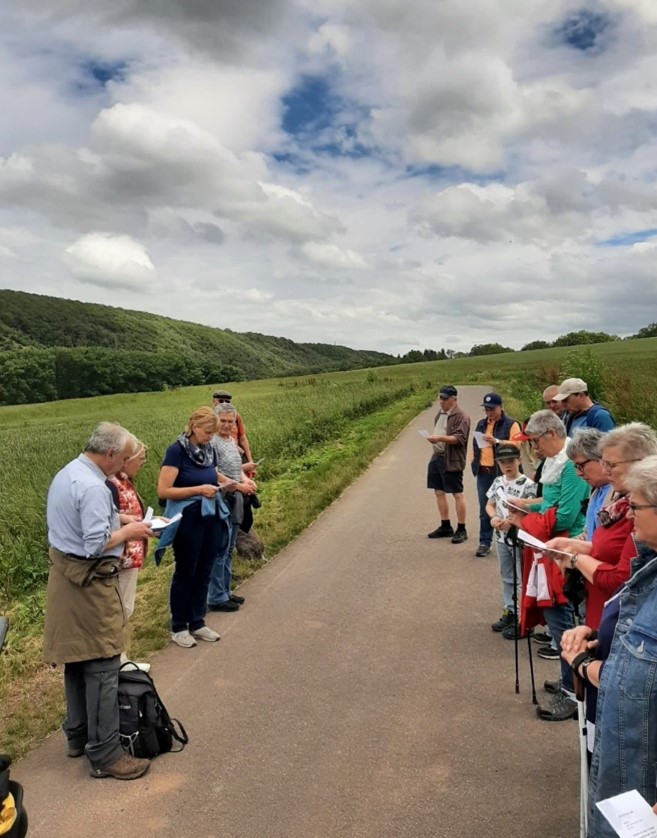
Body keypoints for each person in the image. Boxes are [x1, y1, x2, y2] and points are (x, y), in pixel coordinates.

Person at [43, 422, 155, 780]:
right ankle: (107, 754)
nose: (124, 465)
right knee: (105, 663)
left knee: (76, 661)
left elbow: (79, 525)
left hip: (66, 579)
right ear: (108, 454)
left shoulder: (69, 472)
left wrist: (117, 517)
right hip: (92, 583)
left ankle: (77, 736)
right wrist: (130, 530)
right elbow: (94, 544)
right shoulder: (94, 486)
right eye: (122, 458)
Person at [560, 455, 657, 835]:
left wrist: (583, 664)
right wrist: (602, 641)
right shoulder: (649, 567)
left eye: (634, 506)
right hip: (624, 786)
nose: (629, 516)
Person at [504, 409, 590, 721]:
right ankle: (567, 680)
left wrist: (525, 519)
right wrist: (526, 504)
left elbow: (565, 515)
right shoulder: (554, 463)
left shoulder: (570, 468)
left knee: (564, 621)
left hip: (565, 551)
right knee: (556, 620)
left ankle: (572, 691)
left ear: (552, 435)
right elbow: (550, 504)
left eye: (536, 441)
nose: (534, 448)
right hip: (549, 549)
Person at [157, 407, 231, 648]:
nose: (211, 436)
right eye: (208, 431)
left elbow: (213, 474)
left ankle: (197, 621)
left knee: (205, 569)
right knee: (186, 570)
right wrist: (199, 490)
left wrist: (228, 483)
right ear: (194, 426)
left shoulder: (208, 450)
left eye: (214, 432)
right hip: (188, 518)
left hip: (211, 516)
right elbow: (164, 491)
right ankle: (179, 626)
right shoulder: (176, 451)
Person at [208, 403, 257, 612]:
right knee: (221, 548)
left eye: (231, 421)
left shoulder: (230, 441)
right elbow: (214, 472)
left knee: (228, 548)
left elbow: (237, 468)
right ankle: (216, 596)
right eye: (224, 421)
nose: (227, 425)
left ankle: (225, 591)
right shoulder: (213, 443)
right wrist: (239, 485)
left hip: (236, 496)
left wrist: (247, 480)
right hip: (223, 498)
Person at [108, 438, 151, 673]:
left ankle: (120, 657)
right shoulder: (111, 484)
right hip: (121, 557)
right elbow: (109, 517)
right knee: (121, 609)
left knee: (125, 608)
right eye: (140, 459)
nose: (142, 464)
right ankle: (118, 660)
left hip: (130, 554)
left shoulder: (124, 481)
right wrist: (131, 521)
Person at [485, 443, 536, 636]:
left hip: (519, 538)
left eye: (511, 462)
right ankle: (510, 610)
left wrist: (512, 522)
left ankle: (524, 618)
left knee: (521, 577)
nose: (507, 466)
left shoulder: (528, 486)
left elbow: (529, 511)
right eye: (503, 462)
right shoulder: (498, 481)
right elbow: (489, 504)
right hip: (500, 537)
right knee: (506, 576)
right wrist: (494, 518)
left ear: (519, 461)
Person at [471, 393, 521, 557]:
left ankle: (515, 538)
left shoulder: (511, 424)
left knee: (510, 506)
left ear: (501, 407)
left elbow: (517, 445)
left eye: (492, 409)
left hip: (503, 471)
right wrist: (473, 460)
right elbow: (476, 444)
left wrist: (497, 442)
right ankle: (485, 542)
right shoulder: (481, 424)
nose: (489, 412)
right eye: (486, 409)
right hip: (484, 470)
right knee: (485, 506)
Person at [426, 385, 471, 544]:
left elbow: (459, 438)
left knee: (457, 493)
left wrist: (439, 439)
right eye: (440, 398)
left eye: (445, 398)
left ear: (454, 399)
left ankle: (461, 528)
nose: (441, 401)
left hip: (451, 459)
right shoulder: (441, 413)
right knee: (438, 491)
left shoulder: (461, 416)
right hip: (436, 456)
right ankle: (445, 525)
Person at [212, 390, 252, 462]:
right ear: (213, 402)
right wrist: (233, 447)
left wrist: (250, 460)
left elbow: (242, 437)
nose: (224, 403)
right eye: (221, 401)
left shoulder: (235, 415)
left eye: (227, 401)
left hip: (237, 454)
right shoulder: (209, 417)